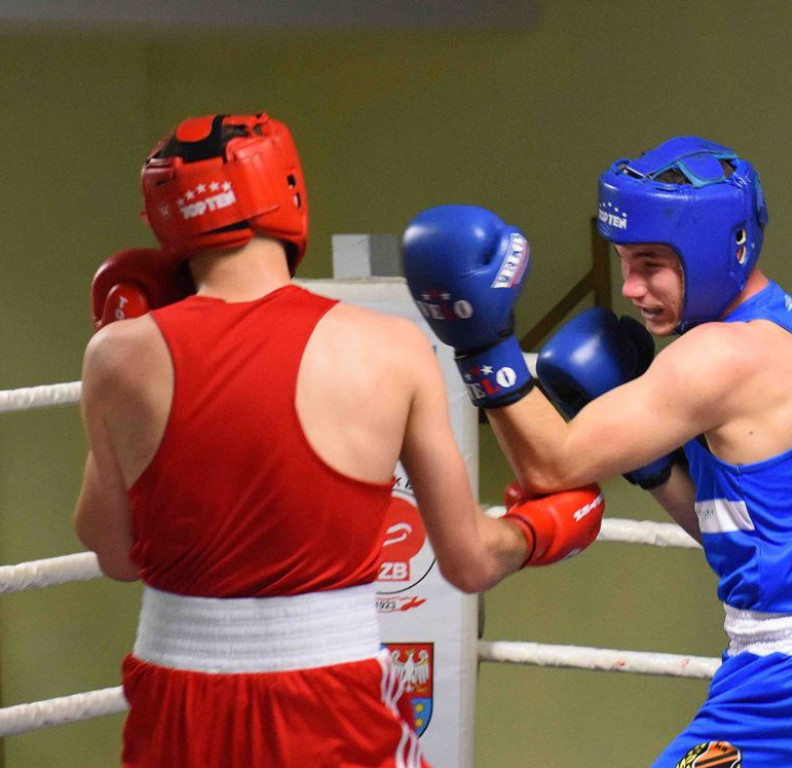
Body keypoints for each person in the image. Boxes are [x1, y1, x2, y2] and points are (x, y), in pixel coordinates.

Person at [73, 111, 604, 768]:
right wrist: (541, 529)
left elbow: (114, 553)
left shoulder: (116, 355)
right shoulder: (387, 348)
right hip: (327, 697)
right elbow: (467, 560)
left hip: (174, 701)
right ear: (288, 194)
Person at [399, 136, 792, 767]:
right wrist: (654, 466)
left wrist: (482, 344)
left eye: (651, 264)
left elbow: (550, 464)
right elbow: (739, 533)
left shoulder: (718, 357)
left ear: (722, 250)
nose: (632, 289)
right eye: (624, 263)